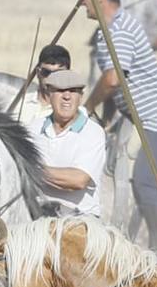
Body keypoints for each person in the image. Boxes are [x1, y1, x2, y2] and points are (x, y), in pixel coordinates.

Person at [82, 0, 157, 250]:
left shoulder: (119, 31)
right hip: (139, 117)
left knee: (146, 184)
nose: (82, 4)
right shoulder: (112, 28)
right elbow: (119, 85)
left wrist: (87, 108)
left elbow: (113, 79)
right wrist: (109, 119)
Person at [31, 70, 107, 219]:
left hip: (80, 219)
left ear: (80, 97)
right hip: (37, 217)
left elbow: (78, 180)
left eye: (73, 91)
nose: (66, 96)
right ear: (49, 94)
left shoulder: (93, 132)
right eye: (60, 91)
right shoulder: (32, 128)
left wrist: (32, 170)